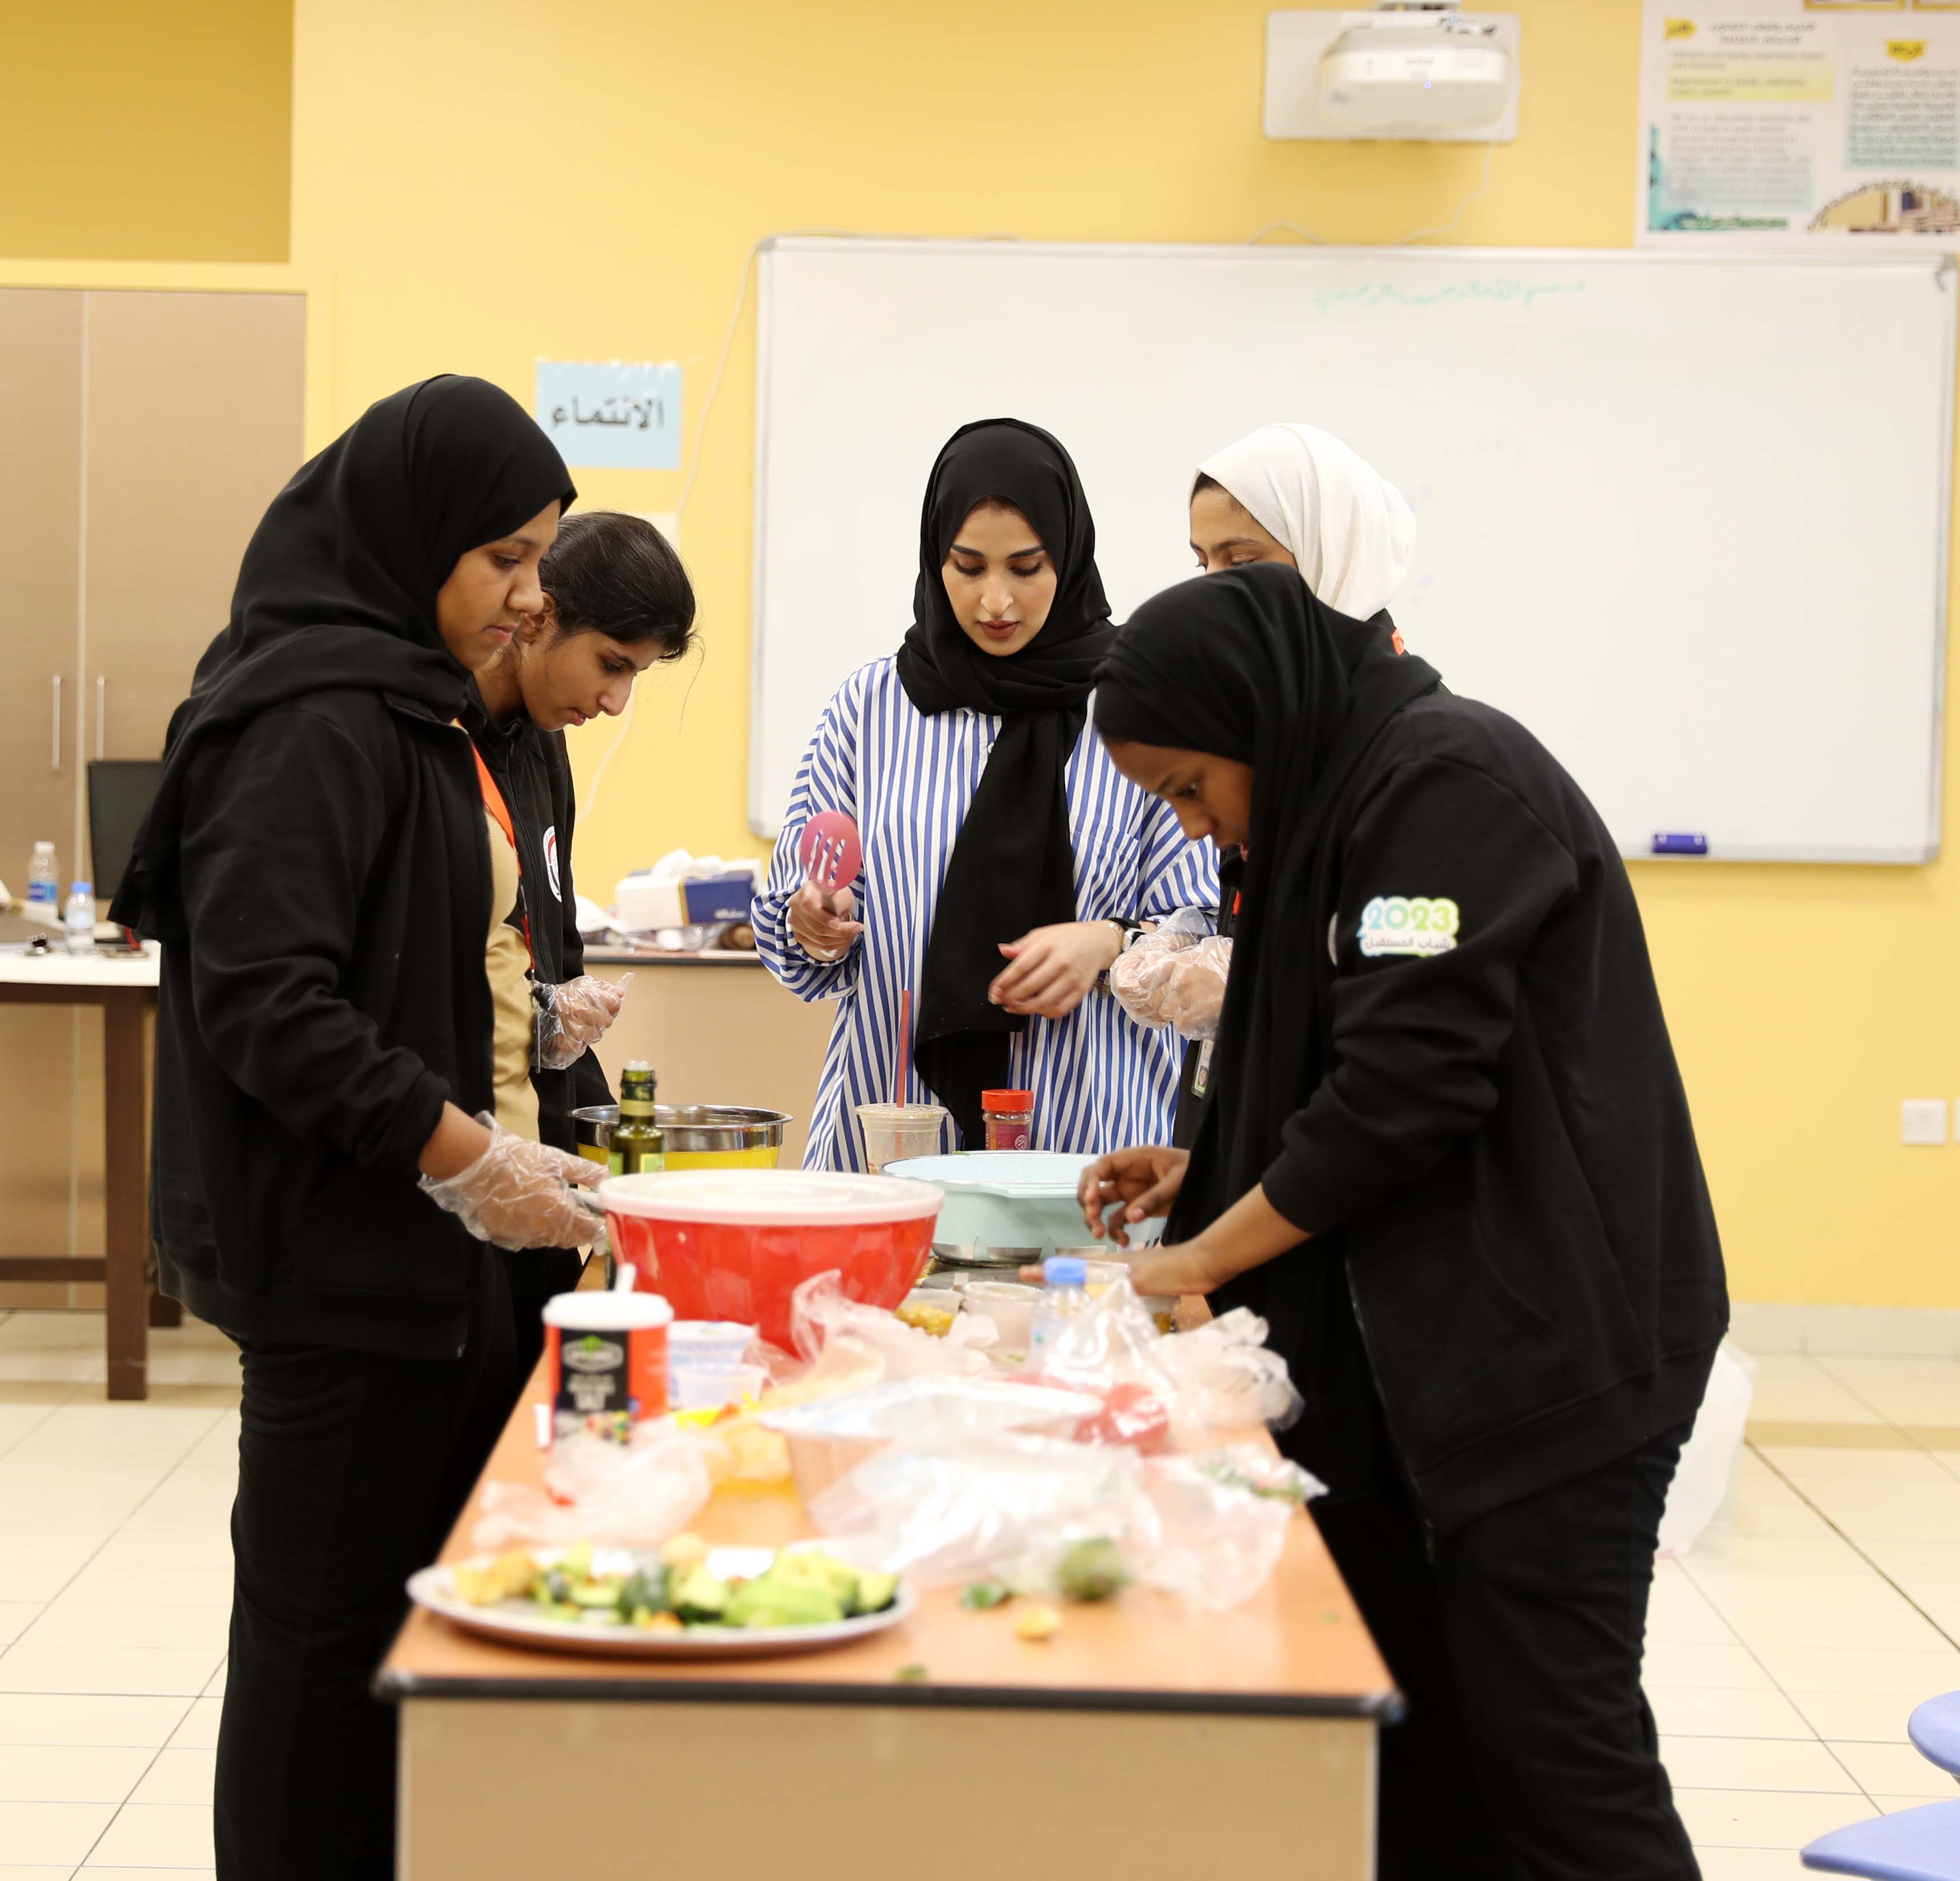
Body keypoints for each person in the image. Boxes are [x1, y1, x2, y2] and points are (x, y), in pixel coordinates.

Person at [1077, 561, 1728, 1881]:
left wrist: (1192, 1259)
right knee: (1426, 1753)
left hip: (1550, 1359)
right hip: (1457, 1348)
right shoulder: (1349, 796)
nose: (1195, 828)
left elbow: (1402, 1095)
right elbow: (1355, 1061)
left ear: (1258, 714)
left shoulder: (1441, 787)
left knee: (1555, 1763)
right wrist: (1209, 1169)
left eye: (1191, 788)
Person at [111, 376, 605, 1881]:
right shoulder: (308, 716)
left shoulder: (418, 703)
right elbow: (270, 1003)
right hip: (342, 1268)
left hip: (431, 1263)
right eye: (506, 558)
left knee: (411, 1640)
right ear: (412, 535)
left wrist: (518, 1096)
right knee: (319, 1664)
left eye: (542, 561)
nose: (530, 598)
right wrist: (471, 1157)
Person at [753, 418, 1217, 1164]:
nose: (995, 601)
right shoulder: (871, 709)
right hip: (896, 1133)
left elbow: (1206, 932)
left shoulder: (1141, 708)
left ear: (1068, 555)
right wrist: (812, 923)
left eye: (1026, 568)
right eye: (967, 567)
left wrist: (1106, 943)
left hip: (1089, 1142)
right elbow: (794, 935)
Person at [464, 510, 699, 1372]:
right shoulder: (432, 744)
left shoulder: (544, 743)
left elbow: (552, 952)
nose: (614, 701)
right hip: (450, 1161)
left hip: (532, 1152)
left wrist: (605, 1164)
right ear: (539, 616)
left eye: (634, 675)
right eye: (611, 665)